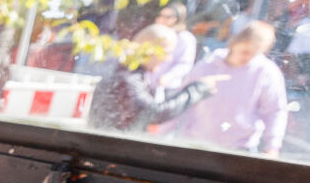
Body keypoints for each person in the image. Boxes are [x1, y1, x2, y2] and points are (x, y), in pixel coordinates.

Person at [169, 20, 289, 157]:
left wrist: (273, 146)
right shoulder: (209, 65)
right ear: (235, 42)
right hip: (196, 144)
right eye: (245, 51)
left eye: (254, 54)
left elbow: (275, 110)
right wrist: (162, 133)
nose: (248, 57)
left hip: (239, 148)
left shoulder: (266, 72)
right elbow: (181, 99)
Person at [87, 24, 220, 134]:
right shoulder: (127, 77)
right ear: (149, 49)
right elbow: (153, 112)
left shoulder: (131, 73)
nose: (168, 59)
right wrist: (197, 89)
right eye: (166, 53)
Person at [146, 4, 197, 90]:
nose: (161, 19)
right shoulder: (154, 33)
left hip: (166, 87)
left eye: (167, 17)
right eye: (160, 15)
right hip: (146, 83)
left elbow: (185, 64)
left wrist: (168, 77)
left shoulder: (185, 37)